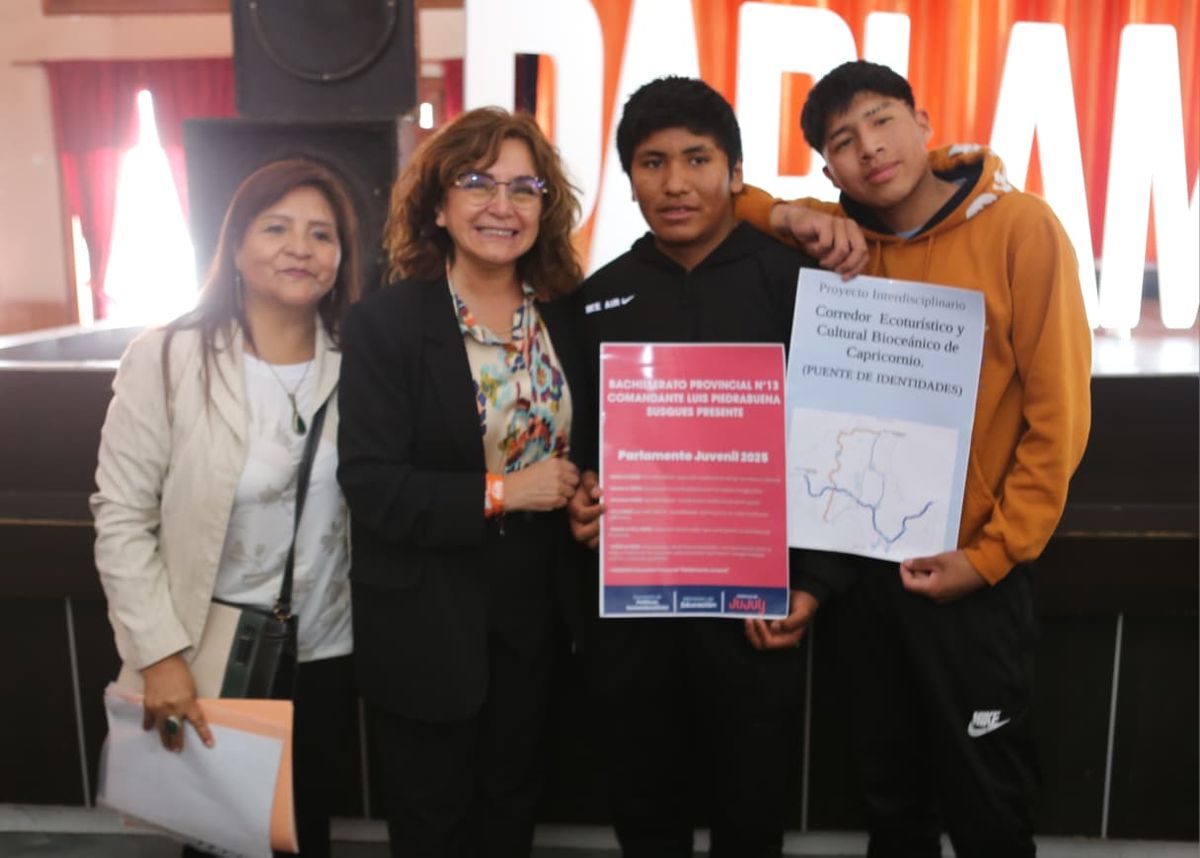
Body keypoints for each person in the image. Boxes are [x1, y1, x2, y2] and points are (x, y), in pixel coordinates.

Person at [734, 60, 1093, 857]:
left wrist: (990, 557)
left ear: (925, 122)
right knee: (889, 803)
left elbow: (1057, 421)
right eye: (844, 142)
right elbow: (736, 202)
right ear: (829, 169)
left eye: (883, 120)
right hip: (866, 577)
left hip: (973, 578)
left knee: (989, 806)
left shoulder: (1022, 228)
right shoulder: (844, 239)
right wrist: (796, 214)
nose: (870, 149)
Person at [566, 75, 844, 858]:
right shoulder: (598, 299)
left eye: (697, 159)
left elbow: (838, 443)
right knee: (643, 809)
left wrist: (815, 582)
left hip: (759, 612)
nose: (676, 183)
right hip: (634, 614)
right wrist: (579, 499)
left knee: (750, 815)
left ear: (735, 171)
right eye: (653, 163)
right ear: (630, 178)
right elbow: (576, 445)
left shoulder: (800, 285)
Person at [91, 158, 363, 858]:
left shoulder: (360, 362)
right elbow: (121, 517)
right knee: (221, 845)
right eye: (277, 228)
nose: (301, 248)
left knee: (306, 837)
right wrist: (159, 656)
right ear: (235, 246)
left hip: (329, 653)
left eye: (322, 234)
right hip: (213, 656)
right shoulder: (168, 358)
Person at [336, 107, 586, 857]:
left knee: (512, 810)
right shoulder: (385, 323)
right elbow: (372, 484)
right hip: (426, 616)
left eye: (523, 187)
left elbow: (583, 451)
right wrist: (505, 492)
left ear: (546, 207)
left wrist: (582, 497)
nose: (501, 206)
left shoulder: (567, 319)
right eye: (477, 183)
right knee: (432, 822)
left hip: (539, 609)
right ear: (438, 205)